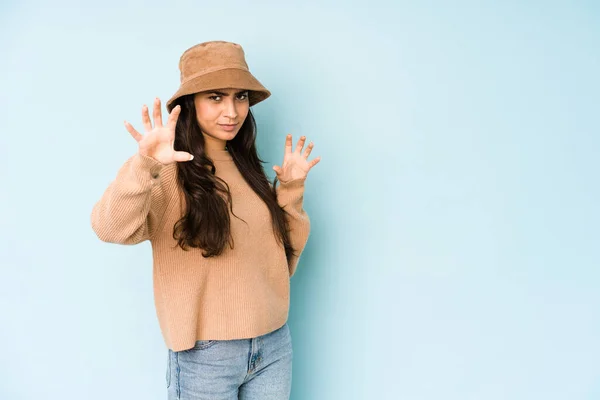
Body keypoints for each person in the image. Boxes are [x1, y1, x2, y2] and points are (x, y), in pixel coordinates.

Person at [90, 40, 320, 400]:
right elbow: (108, 227)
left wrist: (289, 191)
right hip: (206, 357)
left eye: (240, 96)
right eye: (215, 97)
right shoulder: (166, 173)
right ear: (189, 103)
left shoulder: (248, 169)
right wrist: (145, 165)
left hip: (273, 344)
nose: (232, 111)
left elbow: (282, 261)